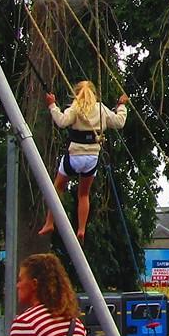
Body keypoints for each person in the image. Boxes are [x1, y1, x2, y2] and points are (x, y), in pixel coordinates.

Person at [42, 82, 130, 240]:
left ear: (76, 93)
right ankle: (81, 228)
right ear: (94, 93)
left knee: (57, 189)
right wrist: (121, 105)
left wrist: (52, 105)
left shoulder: (75, 108)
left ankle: (50, 222)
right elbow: (119, 122)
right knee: (84, 194)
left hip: (74, 156)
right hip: (91, 159)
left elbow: (62, 122)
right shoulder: (101, 108)